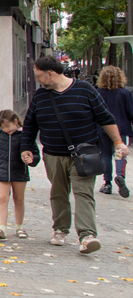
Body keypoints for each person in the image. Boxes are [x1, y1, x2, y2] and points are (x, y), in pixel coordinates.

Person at [21, 55, 127, 254]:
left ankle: (87, 236)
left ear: (50, 74)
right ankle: (60, 230)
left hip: (84, 154)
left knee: (84, 193)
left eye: (38, 76)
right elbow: (30, 125)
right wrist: (27, 148)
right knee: (59, 193)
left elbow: (106, 118)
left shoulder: (85, 90)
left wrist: (119, 142)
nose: (37, 80)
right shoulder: (40, 96)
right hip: (53, 154)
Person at [0, 109, 38, 240]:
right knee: (2, 198)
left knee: (19, 199)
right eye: (3, 127)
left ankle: (19, 227)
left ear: (15, 122)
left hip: (19, 171)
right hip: (1, 172)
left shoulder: (24, 136)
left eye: (7, 126)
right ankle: (2, 227)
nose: (6, 129)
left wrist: (32, 160)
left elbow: (35, 153)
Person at [96, 65, 133, 197]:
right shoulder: (125, 93)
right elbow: (131, 112)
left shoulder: (98, 93)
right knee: (120, 154)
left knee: (105, 155)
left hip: (102, 129)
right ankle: (120, 176)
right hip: (121, 129)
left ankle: (107, 183)